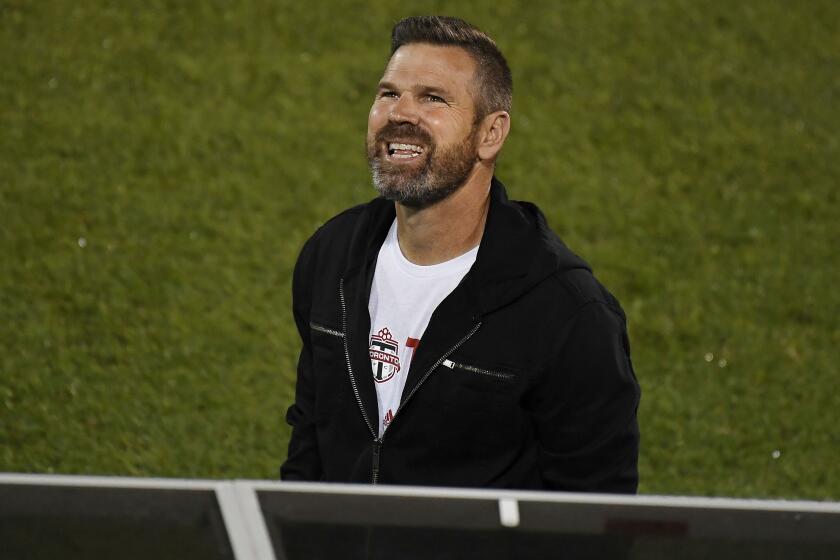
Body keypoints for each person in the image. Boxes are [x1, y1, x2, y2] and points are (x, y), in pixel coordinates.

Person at [280, 15, 640, 493]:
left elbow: (594, 514)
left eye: (433, 98)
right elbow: (310, 441)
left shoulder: (567, 314)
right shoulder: (332, 256)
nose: (399, 113)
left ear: (490, 134)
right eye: (388, 93)